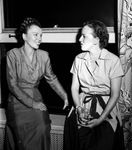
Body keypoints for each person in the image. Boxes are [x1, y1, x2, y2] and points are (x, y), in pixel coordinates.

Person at [5, 17, 69, 150]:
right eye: (35, 35)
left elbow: (52, 78)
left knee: (43, 127)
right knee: (22, 137)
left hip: (36, 97)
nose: (39, 38)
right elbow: (12, 85)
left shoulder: (44, 55)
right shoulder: (13, 55)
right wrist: (32, 103)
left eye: (41, 35)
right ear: (24, 36)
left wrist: (65, 97)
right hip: (17, 102)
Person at [63, 20, 125, 150]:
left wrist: (101, 119)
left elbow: (115, 95)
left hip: (106, 109)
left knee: (104, 140)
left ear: (96, 40)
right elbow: (74, 88)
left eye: (84, 36)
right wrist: (78, 108)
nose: (80, 39)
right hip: (82, 104)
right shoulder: (78, 59)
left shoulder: (113, 61)